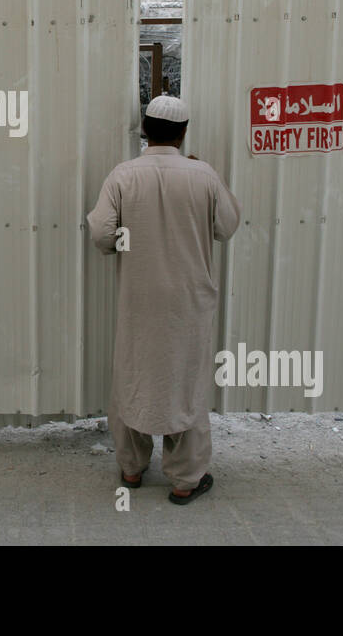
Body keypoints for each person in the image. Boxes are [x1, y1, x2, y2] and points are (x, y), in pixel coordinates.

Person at [86, 94, 241, 505]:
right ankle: (184, 480)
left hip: (139, 298)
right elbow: (227, 227)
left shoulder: (123, 176)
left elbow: (101, 235)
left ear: (144, 130)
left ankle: (132, 469)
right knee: (184, 382)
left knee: (134, 377)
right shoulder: (202, 174)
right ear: (183, 132)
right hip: (188, 301)